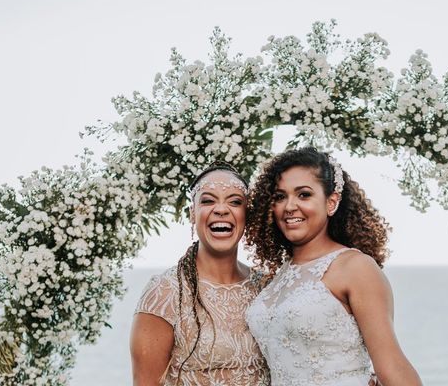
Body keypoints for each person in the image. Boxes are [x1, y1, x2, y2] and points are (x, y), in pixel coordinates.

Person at [245, 147, 423, 386]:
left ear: (331, 202)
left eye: (304, 195)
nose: (289, 206)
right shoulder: (276, 280)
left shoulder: (355, 268)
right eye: (279, 196)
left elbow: (393, 368)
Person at [130, 162, 270, 386]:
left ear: (247, 214)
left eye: (235, 201)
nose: (221, 209)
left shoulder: (266, 287)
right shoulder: (164, 293)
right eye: (208, 200)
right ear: (192, 213)